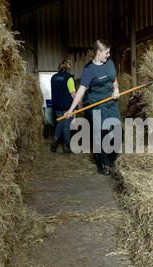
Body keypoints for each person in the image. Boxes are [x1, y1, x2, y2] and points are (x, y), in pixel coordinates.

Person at [65, 39, 121, 175]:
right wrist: (72, 109)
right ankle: (101, 163)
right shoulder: (89, 70)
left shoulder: (110, 63)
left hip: (111, 104)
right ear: (98, 52)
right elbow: (81, 91)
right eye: (106, 53)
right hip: (96, 104)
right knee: (101, 134)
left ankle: (110, 159)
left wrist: (116, 89)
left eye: (109, 52)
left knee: (118, 132)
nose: (109, 55)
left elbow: (114, 80)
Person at [51, 59, 76, 153]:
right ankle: (66, 146)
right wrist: (79, 104)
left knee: (61, 123)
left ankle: (54, 140)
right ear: (69, 67)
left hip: (56, 106)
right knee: (66, 125)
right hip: (67, 106)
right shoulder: (69, 78)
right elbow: (73, 93)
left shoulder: (53, 77)